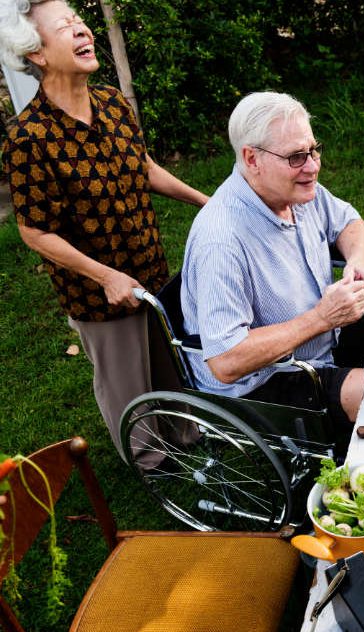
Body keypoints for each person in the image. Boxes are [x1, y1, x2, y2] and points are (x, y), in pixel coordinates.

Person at [0, 0, 208, 465]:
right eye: (66, 27)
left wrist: (205, 202)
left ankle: (188, 433)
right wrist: (105, 276)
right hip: (97, 291)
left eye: (80, 22)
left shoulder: (113, 102)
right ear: (36, 53)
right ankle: (150, 461)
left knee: (166, 357)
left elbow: (143, 168)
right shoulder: (28, 138)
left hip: (149, 263)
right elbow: (34, 231)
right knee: (125, 379)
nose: (82, 31)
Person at [182, 91, 364, 437]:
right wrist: (321, 318)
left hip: (323, 340)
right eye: (296, 157)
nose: (313, 166)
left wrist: (357, 261)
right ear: (252, 159)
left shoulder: (296, 189)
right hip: (263, 381)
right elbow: (226, 361)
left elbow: (351, 224)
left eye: (313, 150)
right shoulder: (221, 240)